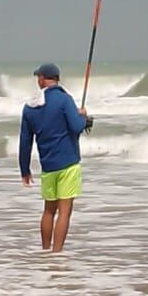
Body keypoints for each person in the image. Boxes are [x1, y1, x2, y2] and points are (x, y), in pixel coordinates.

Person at [19, 63, 91, 252]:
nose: (38, 81)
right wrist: (83, 117)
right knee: (64, 212)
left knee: (49, 211)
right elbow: (76, 127)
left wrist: (24, 170)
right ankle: (57, 254)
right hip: (68, 163)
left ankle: (45, 251)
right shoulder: (64, 100)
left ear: (43, 79)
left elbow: (25, 141)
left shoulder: (30, 107)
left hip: (48, 166)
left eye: (38, 78)